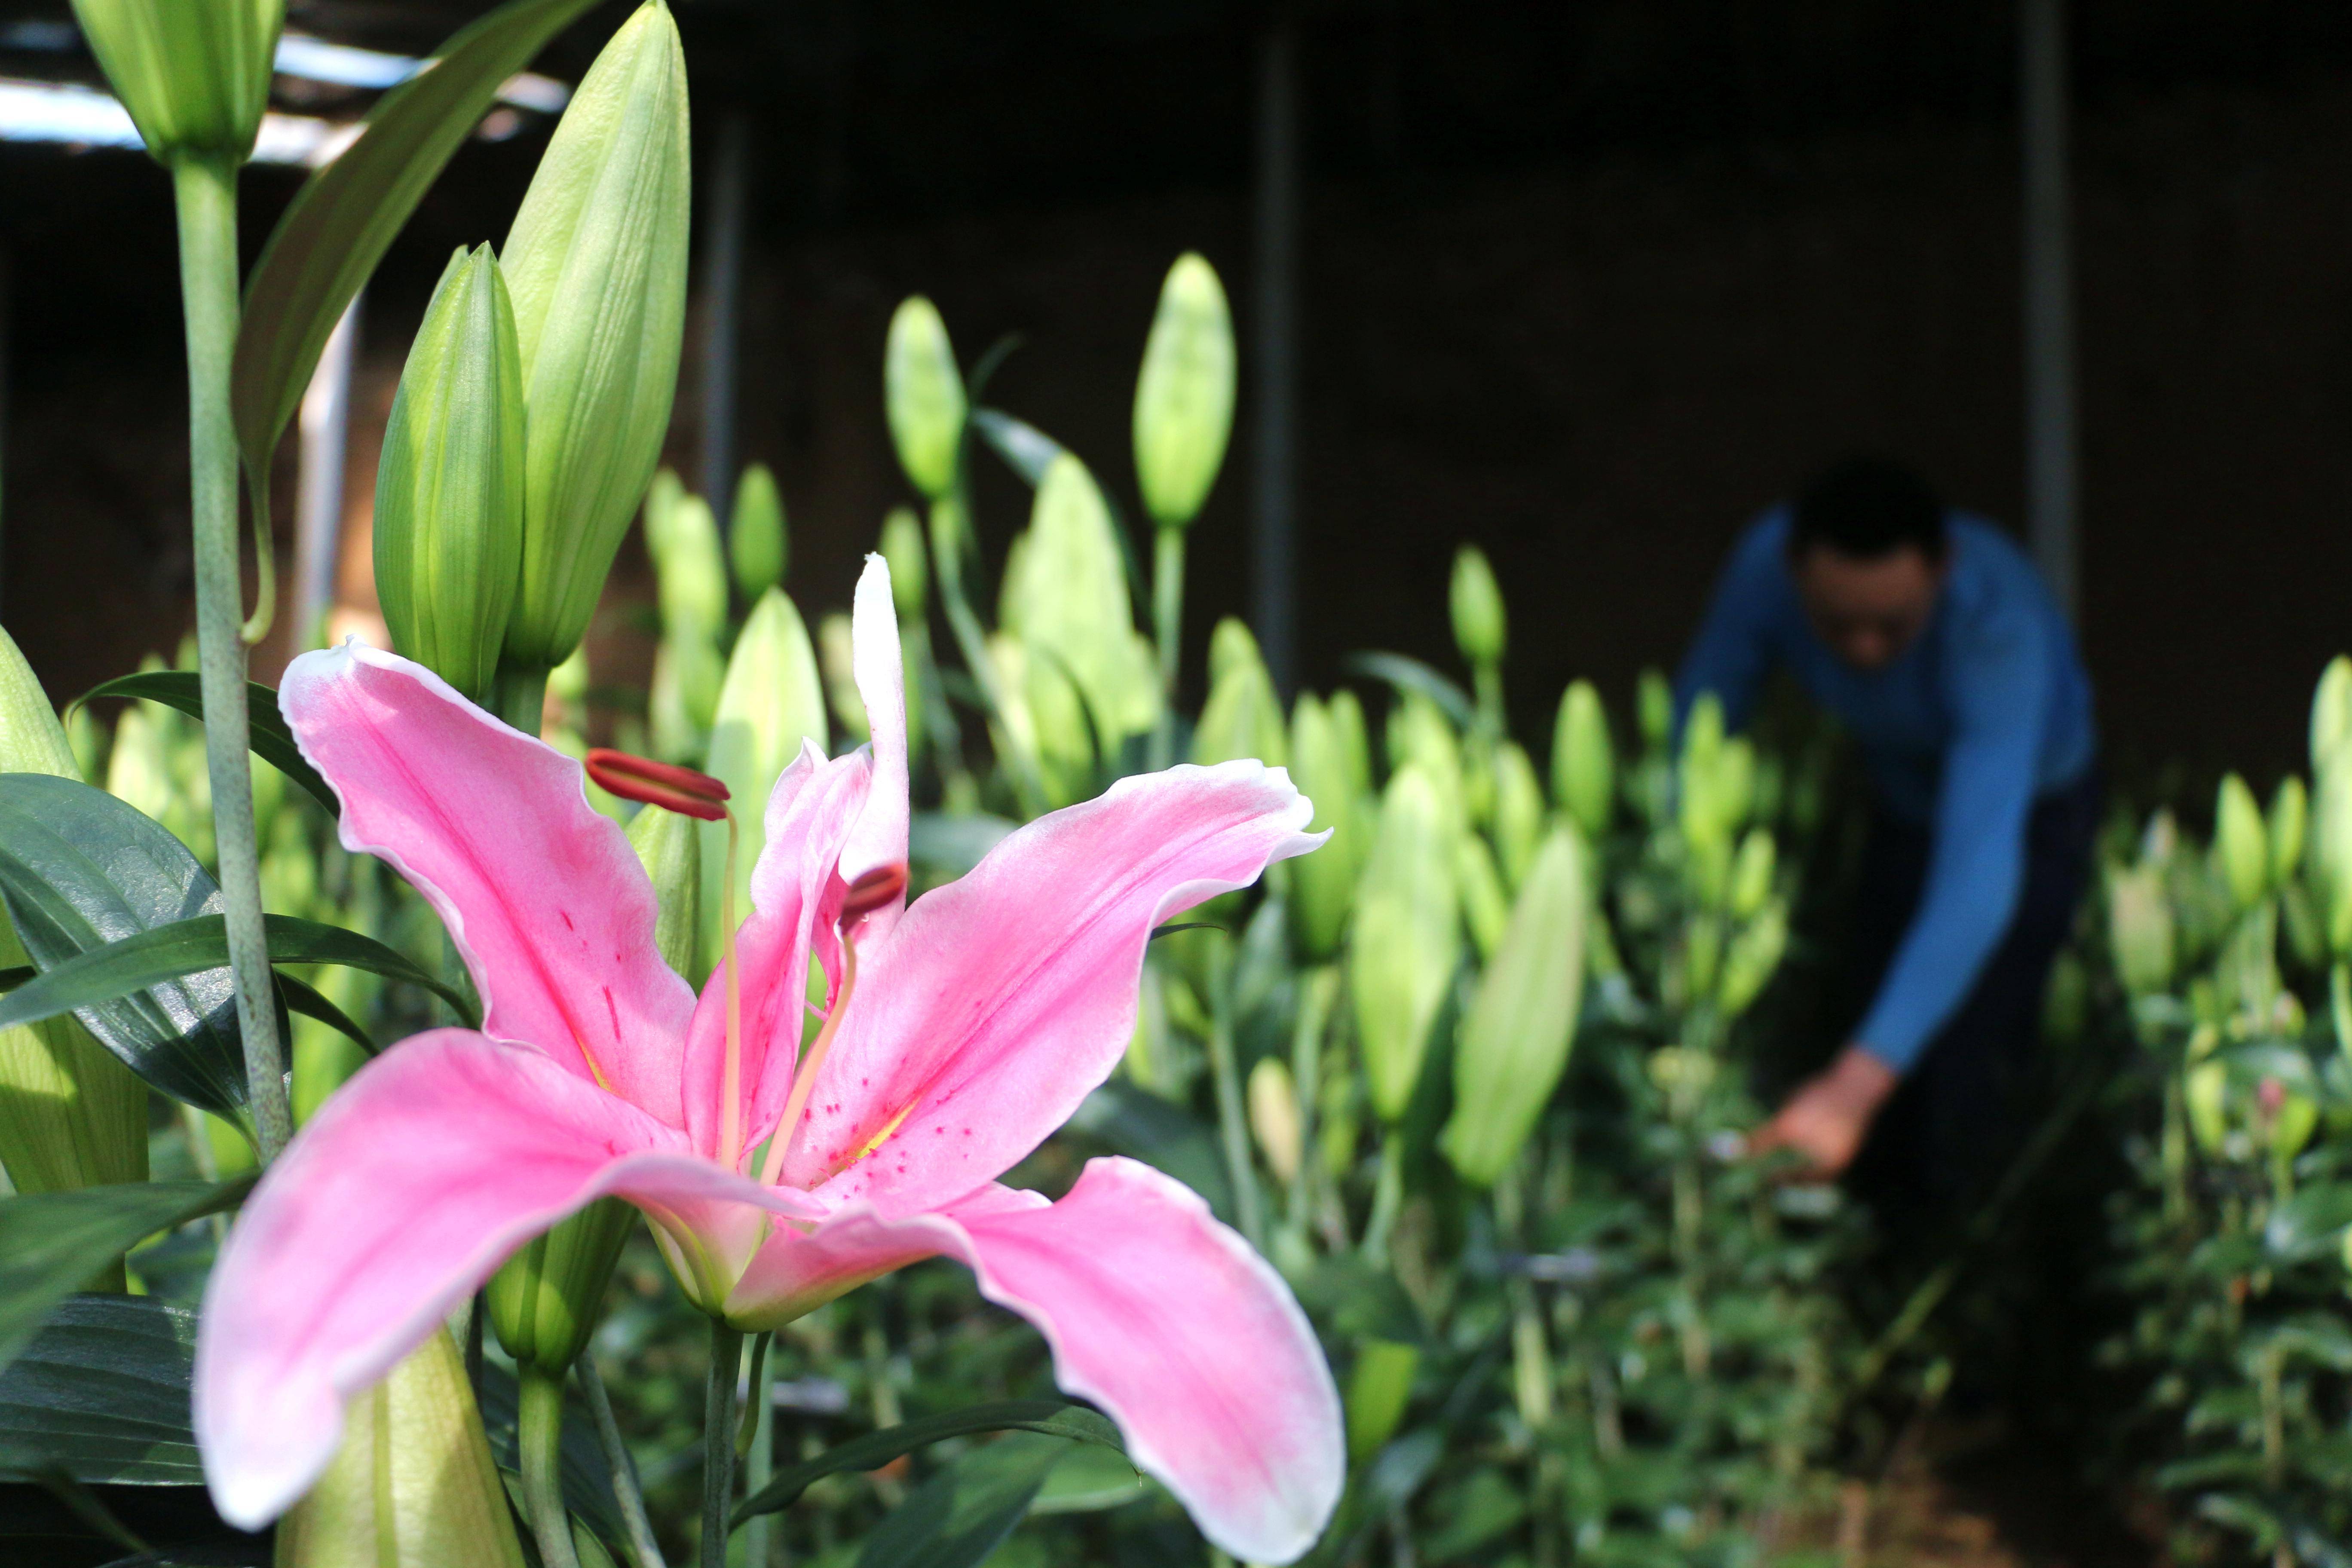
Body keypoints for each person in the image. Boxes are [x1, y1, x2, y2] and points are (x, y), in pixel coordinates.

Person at [1675, 456, 2098, 1209]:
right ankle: (1870, 1220)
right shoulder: (1761, 570)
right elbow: (1700, 727)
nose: (1866, 651)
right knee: (1874, 990)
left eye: (1892, 627)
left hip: (2031, 815)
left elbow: (1977, 873)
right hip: (1902, 799)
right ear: (1794, 571)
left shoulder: (1999, 627)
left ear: (1943, 571)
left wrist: (1853, 1085)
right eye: (1837, 626)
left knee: (1973, 1047)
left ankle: (1963, 1240)